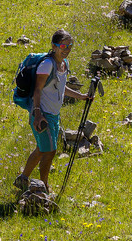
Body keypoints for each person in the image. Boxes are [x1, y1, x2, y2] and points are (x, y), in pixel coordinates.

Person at [14, 29, 88, 192]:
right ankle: (44, 186)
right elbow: (37, 90)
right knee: (50, 150)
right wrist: (37, 114)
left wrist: (81, 96)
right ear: (54, 46)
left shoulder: (64, 63)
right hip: (42, 114)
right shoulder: (47, 65)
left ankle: (23, 179)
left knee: (42, 149)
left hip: (54, 114)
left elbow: (61, 87)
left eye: (70, 46)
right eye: (63, 46)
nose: (67, 49)